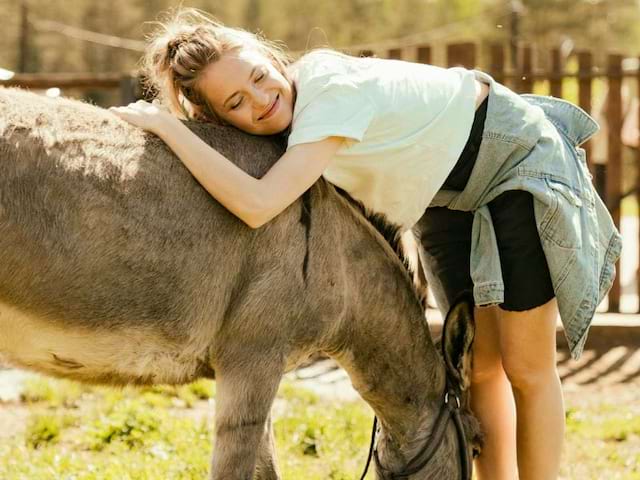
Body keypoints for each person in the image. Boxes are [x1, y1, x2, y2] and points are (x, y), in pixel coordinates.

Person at [110, 8, 621, 480]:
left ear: (270, 57)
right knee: (474, 365)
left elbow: (259, 202)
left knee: (524, 364)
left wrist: (167, 129)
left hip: (515, 161)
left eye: (259, 77)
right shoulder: (287, 127)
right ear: (217, 121)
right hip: (443, 196)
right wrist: (178, 129)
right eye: (237, 103)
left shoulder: (328, 89)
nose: (261, 100)